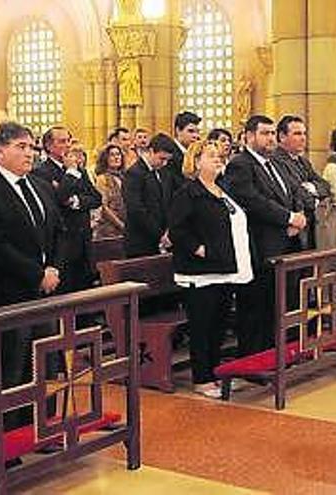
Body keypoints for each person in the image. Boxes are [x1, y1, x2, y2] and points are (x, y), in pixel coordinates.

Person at [0, 121, 63, 431]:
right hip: (11, 292)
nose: (29, 153)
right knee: (12, 366)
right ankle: (9, 433)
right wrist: (36, 273)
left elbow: (59, 231)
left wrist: (54, 268)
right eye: (21, 146)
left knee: (44, 360)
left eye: (31, 146)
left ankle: (42, 426)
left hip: (46, 291)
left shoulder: (41, 186)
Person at [170, 140, 253, 398]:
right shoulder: (188, 192)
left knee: (219, 323)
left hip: (225, 268)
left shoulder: (220, 190)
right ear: (196, 162)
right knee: (202, 325)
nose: (219, 159)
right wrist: (199, 249)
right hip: (200, 271)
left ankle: (215, 371)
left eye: (220, 156)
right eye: (211, 156)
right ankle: (202, 378)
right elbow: (177, 229)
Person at [224, 115, 306, 356]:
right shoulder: (240, 164)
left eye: (272, 133)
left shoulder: (275, 163)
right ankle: (254, 359)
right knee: (257, 307)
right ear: (249, 136)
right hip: (261, 249)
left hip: (286, 244)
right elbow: (252, 200)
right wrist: (288, 218)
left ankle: (280, 355)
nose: (270, 138)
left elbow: (295, 191)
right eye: (265, 133)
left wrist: (298, 215)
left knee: (281, 305)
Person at [271, 115, 331, 251]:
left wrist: (312, 187)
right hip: (291, 231)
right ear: (282, 136)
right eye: (297, 134)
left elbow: (326, 186)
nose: (303, 138)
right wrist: (314, 200)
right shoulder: (275, 160)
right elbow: (296, 193)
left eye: (304, 133)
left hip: (308, 227)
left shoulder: (303, 161)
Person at [122, 133, 177, 257]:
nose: (164, 163)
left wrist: (169, 230)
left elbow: (170, 202)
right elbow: (136, 209)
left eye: (167, 160)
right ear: (151, 151)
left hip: (164, 238)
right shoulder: (134, 173)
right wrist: (160, 235)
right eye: (161, 159)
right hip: (141, 241)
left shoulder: (164, 173)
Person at [55, 144, 101, 293]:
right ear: (49, 146)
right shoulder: (45, 171)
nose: (67, 145)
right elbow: (60, 197)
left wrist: (76, 201)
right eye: (62, 141)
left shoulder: (80, 171)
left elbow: (96, 198)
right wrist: (70, 173)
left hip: (83, 240)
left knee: (85, 290)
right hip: (64, 240)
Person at [94, 144, 126, 240]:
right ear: (105, 159)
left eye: (118, 154)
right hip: (108, 230)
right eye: (112, 155)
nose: (116, 157)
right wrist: (120, 224)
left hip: (125, 227)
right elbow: (103, 207)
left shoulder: (124, 177)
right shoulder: (102, 178)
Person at [168, 111, 201, 181]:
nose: (196, 136)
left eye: (198, 132)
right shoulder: (169, 154)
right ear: (178, 131)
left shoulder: (195, 153)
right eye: (191, 131)